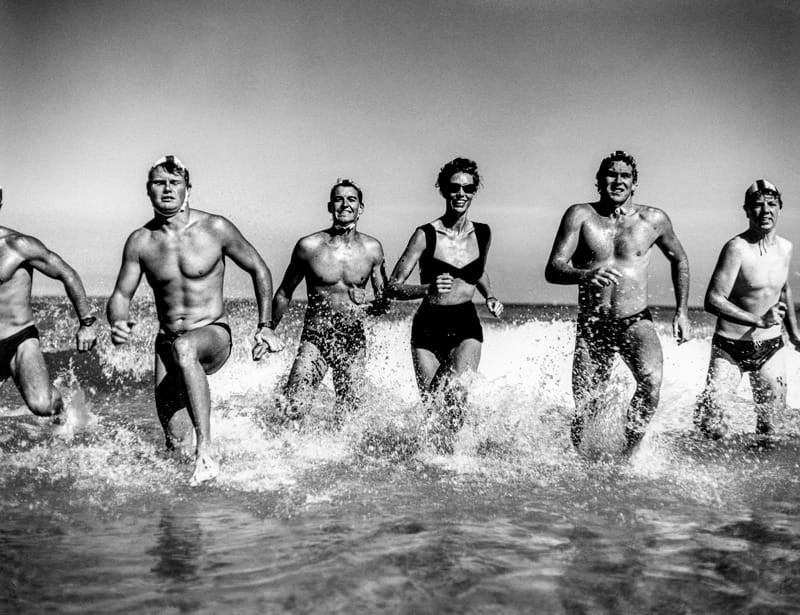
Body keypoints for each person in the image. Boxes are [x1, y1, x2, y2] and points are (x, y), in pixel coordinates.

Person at [107, 156, 282, 485]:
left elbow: (259, 268)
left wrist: (265, 325)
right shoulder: (140, 241)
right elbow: (120, 295)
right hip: (167, 342)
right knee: (174, 440)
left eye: (175, 182)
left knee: (186, 348)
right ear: (149, 191)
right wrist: (118, 321)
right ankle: (193, 504)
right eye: (160, 182)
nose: (168, 188)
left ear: (188, 188)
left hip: (213, 334)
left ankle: (206, 450)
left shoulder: (215, 228)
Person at [545, 150, 690, 455]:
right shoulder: (580, 216)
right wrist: (585, 274)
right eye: (611, 174)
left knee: (651, 384)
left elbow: (680, 259)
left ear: (634, 184)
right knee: (586, 405)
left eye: (625, 176)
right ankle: (583, 464)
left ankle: (629, 455)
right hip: (593, 325)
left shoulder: (654, 219)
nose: (618, 181)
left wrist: (682, 311)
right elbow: (554, 268)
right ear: (599, 181)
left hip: (636, 320)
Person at [388, 158, 503, 450]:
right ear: (443, 190)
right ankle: (435, 470)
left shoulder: (484, 233)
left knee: (457, 403)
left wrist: (489, 295)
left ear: (475, 191)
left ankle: (456, 464)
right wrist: (426, 288)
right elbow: (392, 287)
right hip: (428, 326)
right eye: (454, 188)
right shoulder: (424, 234)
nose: (461, 194)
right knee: (433, 409)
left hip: (466, 323)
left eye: (467, 188)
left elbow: (477, 271)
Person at [270, 179, 388, 425]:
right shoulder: (309, 246)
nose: (345, 204)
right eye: (339, 199)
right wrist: (268, 330)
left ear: (361, 208)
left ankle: (337, 463)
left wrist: (369, 305)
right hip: (316, 336)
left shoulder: (373, 249)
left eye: (351, 199)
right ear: (329, 206)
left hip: (353, 339)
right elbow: (284, 293)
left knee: (349, 419)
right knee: (294, 409)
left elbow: (383, 302)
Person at [695, 179, 800, 442]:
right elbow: (713, 300)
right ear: (746, 210)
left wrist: (795, 333)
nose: (765, 211)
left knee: (771, 430)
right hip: (730, 347)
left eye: (771, 204)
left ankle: (758, 481)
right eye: (758, 205)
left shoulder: (786, 248)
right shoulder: (736, 248)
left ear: (780, 208)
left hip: (771, 347)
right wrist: (758, 319)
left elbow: (783, 290)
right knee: (712, 426)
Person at [0, 185, 97, 420]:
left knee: (42, 405)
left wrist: (86, 323)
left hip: (18, 339)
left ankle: (62, 413)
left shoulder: (17, 245)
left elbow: (67, 273)